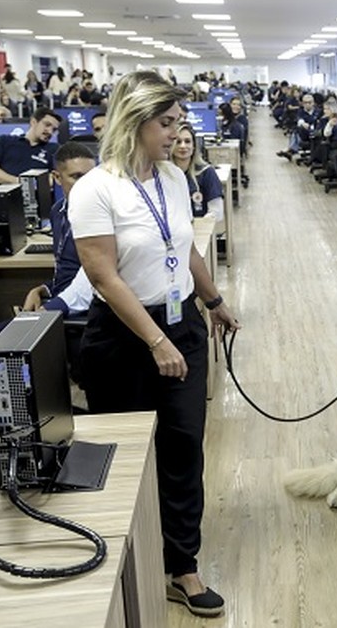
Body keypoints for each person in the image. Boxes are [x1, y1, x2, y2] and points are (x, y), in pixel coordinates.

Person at [68, 70, 238, 618]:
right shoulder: (97, 188)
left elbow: (181, 245)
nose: (175, 133)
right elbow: (102, 275)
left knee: (184, 447)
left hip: (180, 326)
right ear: (135, 121)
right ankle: (124, 561)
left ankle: (181, 566)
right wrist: (155, 339)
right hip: (123, 338)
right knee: (126, 458)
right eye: (166, 123)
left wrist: (211, 301)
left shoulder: (170, 176)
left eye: (178, 123)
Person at [22, 141, 97, 316]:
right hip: (59, 302)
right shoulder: (58, 211)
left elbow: (94, 279)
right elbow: (67, 273)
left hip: (82, 310)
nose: (86, 184)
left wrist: (49, 310)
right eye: (77, 176)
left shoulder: (100, 218)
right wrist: (42, 290)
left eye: (91, 176)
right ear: (56, 177)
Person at [172, 122, 224, 223]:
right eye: (178, 142)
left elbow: (217, 212)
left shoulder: (206, 172)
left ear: (194, 146)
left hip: (199, 230)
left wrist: (201, 224)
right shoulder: (163, 174)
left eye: (187, 141)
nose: (183, 146)